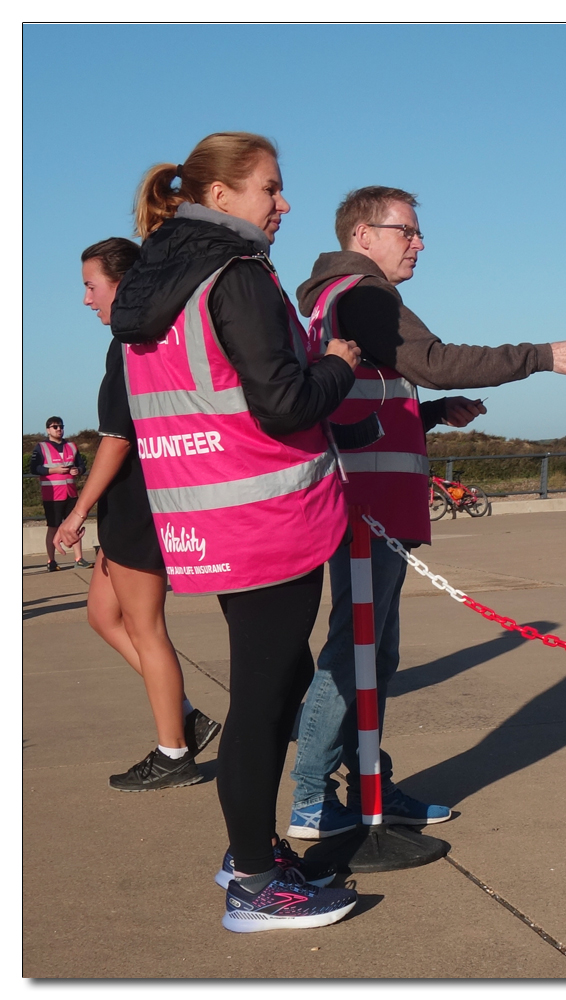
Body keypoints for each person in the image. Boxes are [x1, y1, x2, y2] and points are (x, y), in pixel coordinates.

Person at [286, 185, 566, 840]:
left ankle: (369, 783)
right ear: (363, 235)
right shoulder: (362, 295)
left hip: (369, 502)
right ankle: (315, 797)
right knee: (355, 652)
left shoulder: (337, 301)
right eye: (408, 231)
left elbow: (364, 397)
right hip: (366, 506)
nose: (419, 243)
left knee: (373, 651)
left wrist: (429, 414)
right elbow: (431, 360)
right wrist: (540, 357)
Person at [110, 132, 360, 932]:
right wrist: (341, 363)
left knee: (277, 681)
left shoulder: (155, 278)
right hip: (269, 516)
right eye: (270, 189)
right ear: (221, 198)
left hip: (205, 518)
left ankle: (251, 846)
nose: (283, 204)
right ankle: (253, 877)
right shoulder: (238, 275)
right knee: (261, 696)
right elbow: (283, 401)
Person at [55, 238, 222, 793]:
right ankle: (188, 717)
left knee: (148, 630)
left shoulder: (132, 343)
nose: (86, 299)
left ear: (121, 285)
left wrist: (75, 512)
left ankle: (174, 752)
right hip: (126, 507)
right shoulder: (128, 342)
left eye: (90, 285)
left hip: (140, 505)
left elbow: (118, 439)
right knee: (102, 615)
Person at [30, 417, 89, 570]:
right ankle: (51, 561)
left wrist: (78, 471)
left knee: (74, 527)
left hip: (71, 493)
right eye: (55, 427)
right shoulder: (41, 447)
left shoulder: (72, 445)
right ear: (48, 429)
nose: (58, 429)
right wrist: (53, 470)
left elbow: (81, 465)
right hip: (52, 495)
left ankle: (79, 558)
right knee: (53, 526)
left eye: (61, 426)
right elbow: (34, 468)